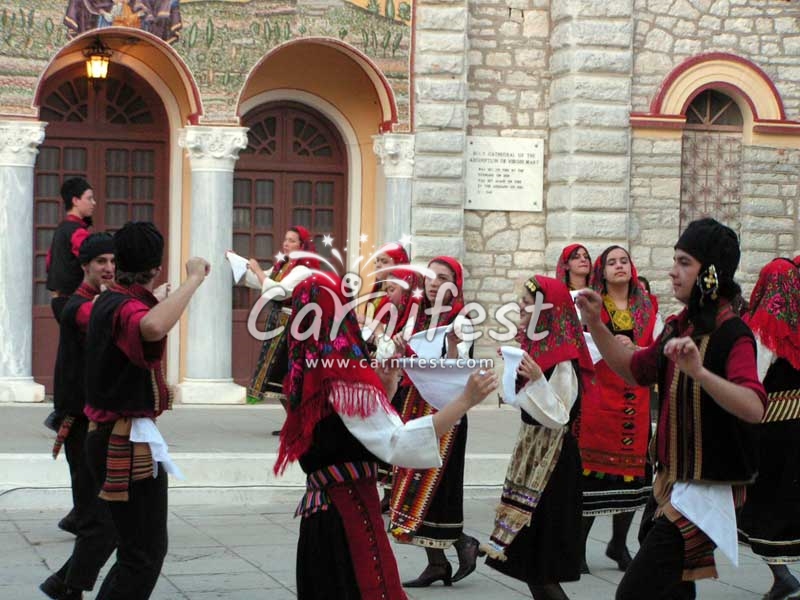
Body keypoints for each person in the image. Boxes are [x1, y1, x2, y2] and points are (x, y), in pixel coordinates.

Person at [575, 218, 766, 600]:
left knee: (634, 593)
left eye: (683, 262)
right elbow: (634, 369)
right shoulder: (679, 327)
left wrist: (699, 373)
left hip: (707, 492)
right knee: (674, 591)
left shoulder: (734, 334)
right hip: (671, 487)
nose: (672, 271)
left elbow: (753, 407)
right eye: (674, 260)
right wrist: (596, 323)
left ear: (710, 273)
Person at [276, 273, 498, 599]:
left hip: (319, 519)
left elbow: (348, 435)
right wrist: (464, 400)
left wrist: (386, 387)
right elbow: (397, 443)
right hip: (350, 517)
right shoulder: (345, 375)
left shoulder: (305, 372)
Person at [84, 221, 209, 600]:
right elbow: (152, 327)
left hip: (112, 436)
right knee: (143, 554)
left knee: (134, 552)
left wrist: (162, 293)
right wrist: (193, 279)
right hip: (123, 441)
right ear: (156, 267)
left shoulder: (109, 299)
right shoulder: (124, 306)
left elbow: (144, 313)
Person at [483, 276, 592, 600]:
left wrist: (533, 380)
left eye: (529, 303)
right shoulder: (536, 350)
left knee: (540, 567)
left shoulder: (561, 357)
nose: (521, 307)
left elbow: (559, 414)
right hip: (534, 458)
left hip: (553, 465)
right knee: (530, 564)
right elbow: (519, 401)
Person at [389, 256, 483, 586]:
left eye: (442, 277)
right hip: (414, 404)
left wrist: (454, 347)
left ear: (454, 286)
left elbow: (458, 370)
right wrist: (400, 346)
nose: (433, 282)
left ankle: (459, 545)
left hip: (446, 412)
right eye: (430, 276)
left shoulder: (462, 321)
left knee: (434, 487)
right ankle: (440, 561)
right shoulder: (416, 316)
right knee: (413, 485)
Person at [40, 233, 118, 600]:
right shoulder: (77, 306)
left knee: (106, 521)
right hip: (81, 428)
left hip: (97, 428)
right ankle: (67, 587)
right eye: (100, 262)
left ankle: (64, 584)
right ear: (84, 266)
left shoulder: (101, 302)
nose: (108, 268)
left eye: (112, 262)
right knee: (97, 522)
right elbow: (105, 320)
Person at [579, 246, 657, 573]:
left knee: (632, 476)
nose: (619, 266)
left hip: (635, 396)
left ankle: (618, 543)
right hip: (601, 394)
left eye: (624, 261)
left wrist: (639, 348)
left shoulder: (647, 305)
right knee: (592, 476)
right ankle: (577, 548)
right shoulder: (593, 304)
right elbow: (581, 341)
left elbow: (658, 343)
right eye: (612, 263)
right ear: (603, 271)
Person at [738, 257, 800, 600]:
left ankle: (783, 576)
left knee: (770, 505)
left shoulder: (767, 325)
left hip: (777, 429)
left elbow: (754, 376)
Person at [244, 226, 317, 408]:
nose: (286, 244)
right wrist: (239, 264)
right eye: (286, 239)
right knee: (277, 376)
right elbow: (259, 281)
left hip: (292, 329)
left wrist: (258, 270)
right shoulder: (284, 265)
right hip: (279, 325)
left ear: (302, 246)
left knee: (285, 373)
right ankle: (290, 423)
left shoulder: (303, 269)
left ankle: (295, 423)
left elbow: (279, 291)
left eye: (292, 241)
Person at [47, 177, 95, 322]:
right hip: (73, 302)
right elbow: (91, 262)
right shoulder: (77, 231)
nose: (93, 203)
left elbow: (49, 263)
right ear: (75, 201)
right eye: (89, 198)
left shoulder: (61, 229)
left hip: (58, 301)